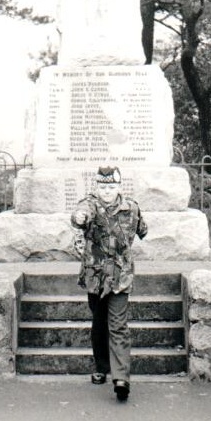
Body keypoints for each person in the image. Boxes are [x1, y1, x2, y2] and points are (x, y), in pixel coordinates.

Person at [71, 166, 147, 402]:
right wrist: (79, 218)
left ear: (119, 187)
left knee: (118, 325)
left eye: (111, 187)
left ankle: (121, 378)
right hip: (95, 276)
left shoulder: (131, 208)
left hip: (120, 276)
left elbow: (143, 229)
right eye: (103, 187)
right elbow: (81, 214)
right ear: (97, 187)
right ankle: (101, 366)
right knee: (99, 321)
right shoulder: (90, 204)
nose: (107, 191)